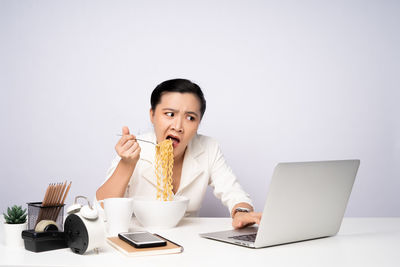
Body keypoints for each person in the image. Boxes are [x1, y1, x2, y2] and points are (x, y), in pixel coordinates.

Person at [96, 78, 261, 229]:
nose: (178, 126)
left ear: (198, 123)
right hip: (139, 236)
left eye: (190, 118)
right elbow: (102, 207)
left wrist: (242, 213)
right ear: (152, 115)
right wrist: (127, 164)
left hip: (188, 239)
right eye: (169, 114)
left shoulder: (209, 147)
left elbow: (233, 191)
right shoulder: (132, 147)